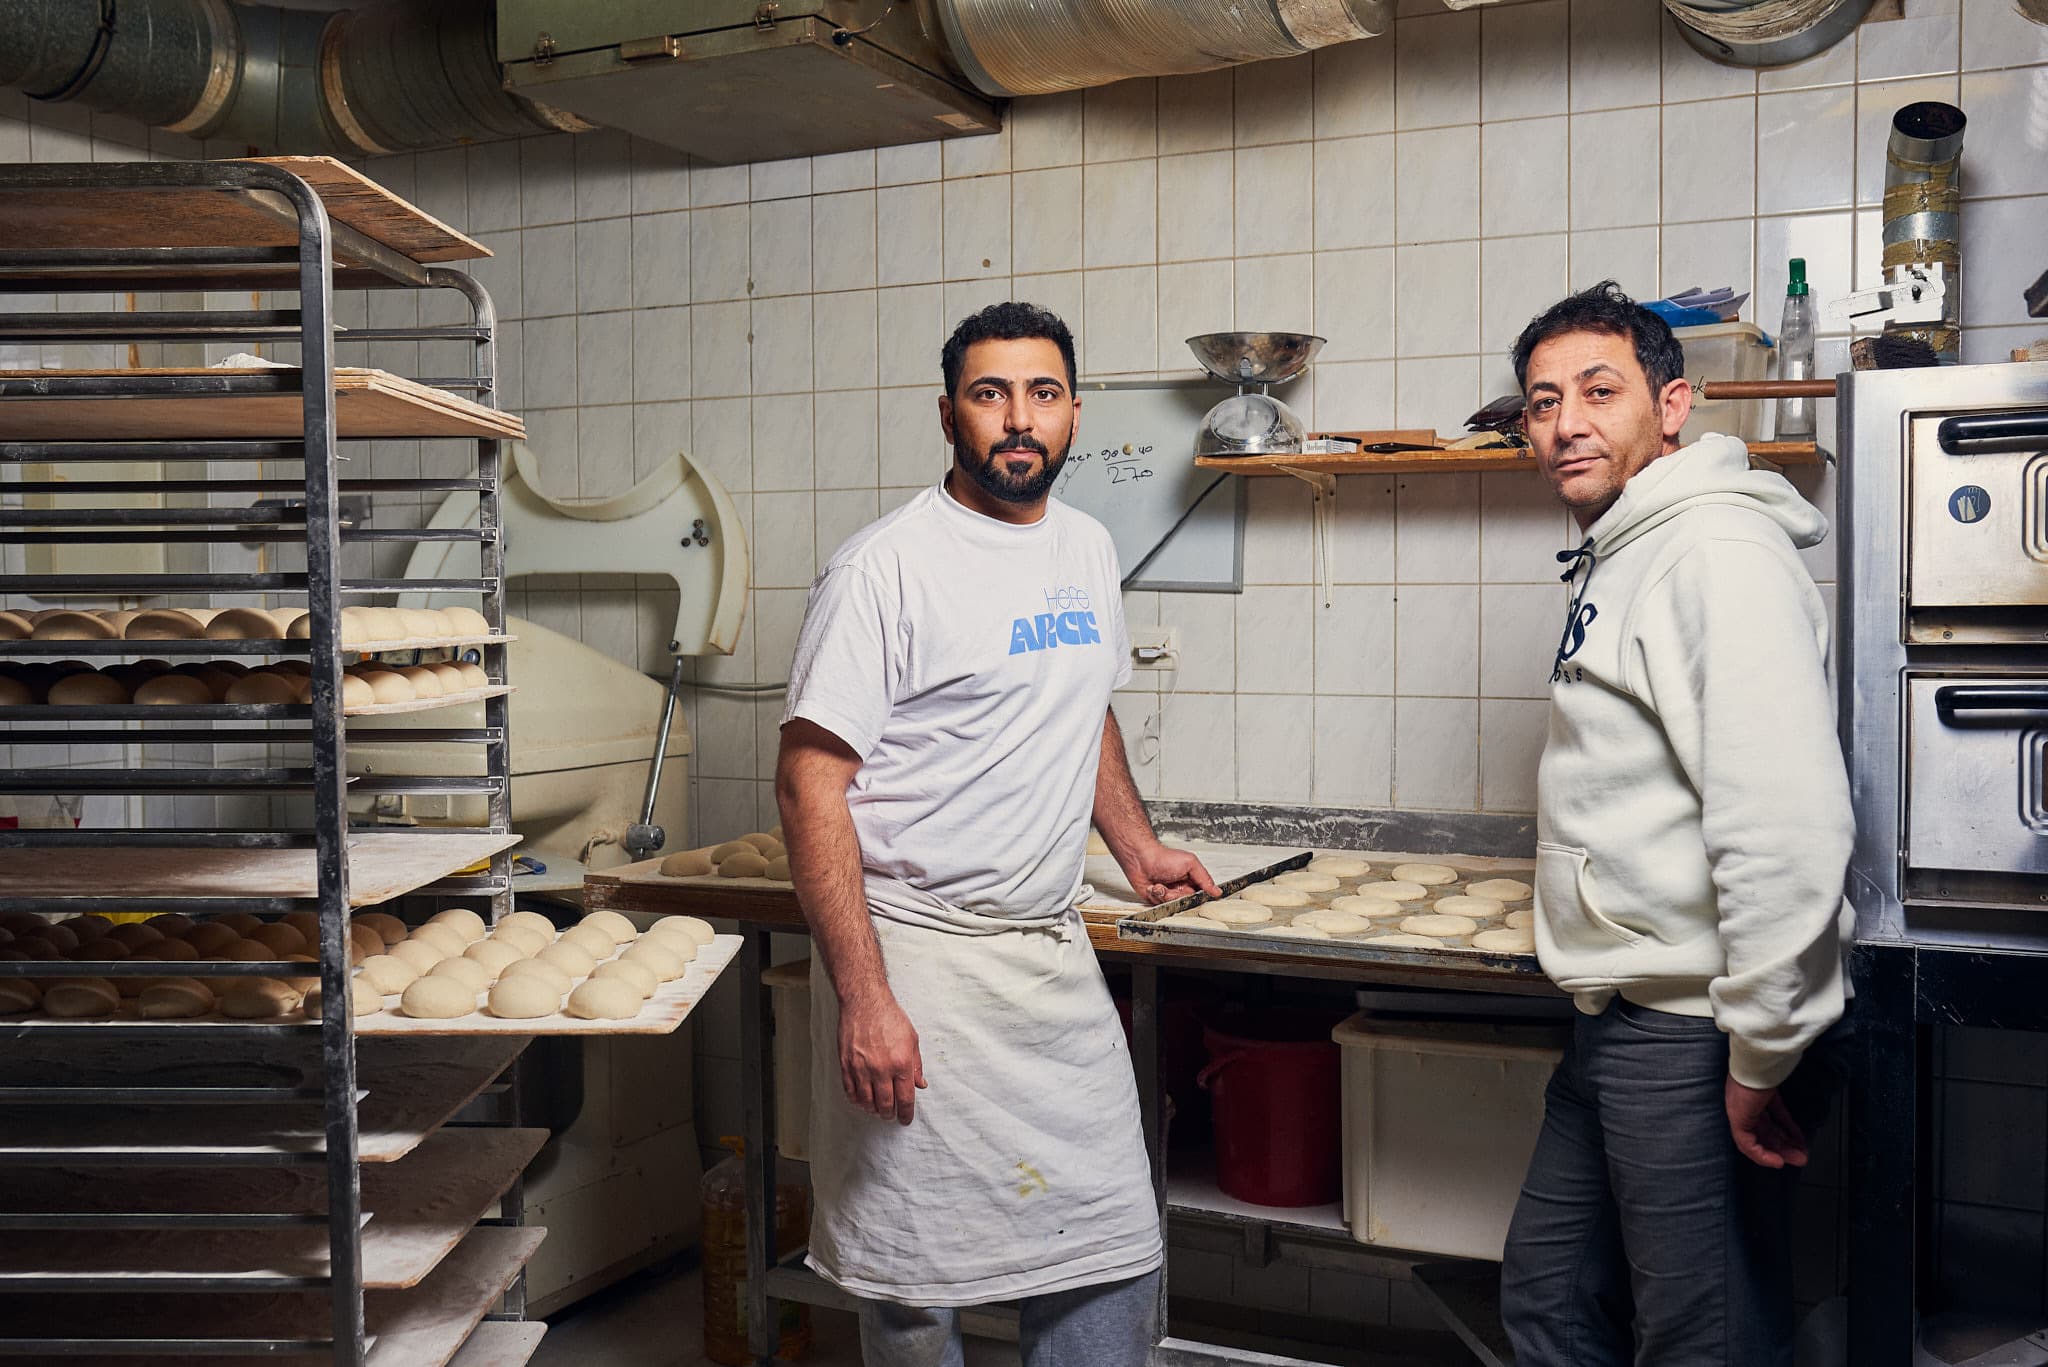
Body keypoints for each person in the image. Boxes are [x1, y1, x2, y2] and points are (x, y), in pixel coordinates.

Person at [775, 301, 1219, 1367]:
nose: (1017, 419)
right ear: (948, 415)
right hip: (921, 962)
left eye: (1042, 393)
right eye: (989, 394)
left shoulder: (1085, 545)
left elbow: (1086, 706)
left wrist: (1134, 845)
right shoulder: (883, 569)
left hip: (1047, 960)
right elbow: (806, 784)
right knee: (915, 1278)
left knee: (1107, 1245)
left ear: (1072, 413)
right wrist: (864, 997)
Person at [1498, 282, 1855, 1366]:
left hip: (1690, 1023)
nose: (1564, 421)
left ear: (1671, 405)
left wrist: (1758, 1050)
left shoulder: (1711, 552)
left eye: (1597, 391)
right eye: (1540, 400)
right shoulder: (1627, 548)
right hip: (1617, 1007)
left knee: (1698, 1338)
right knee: (1549, 1298)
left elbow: (1783, 824)